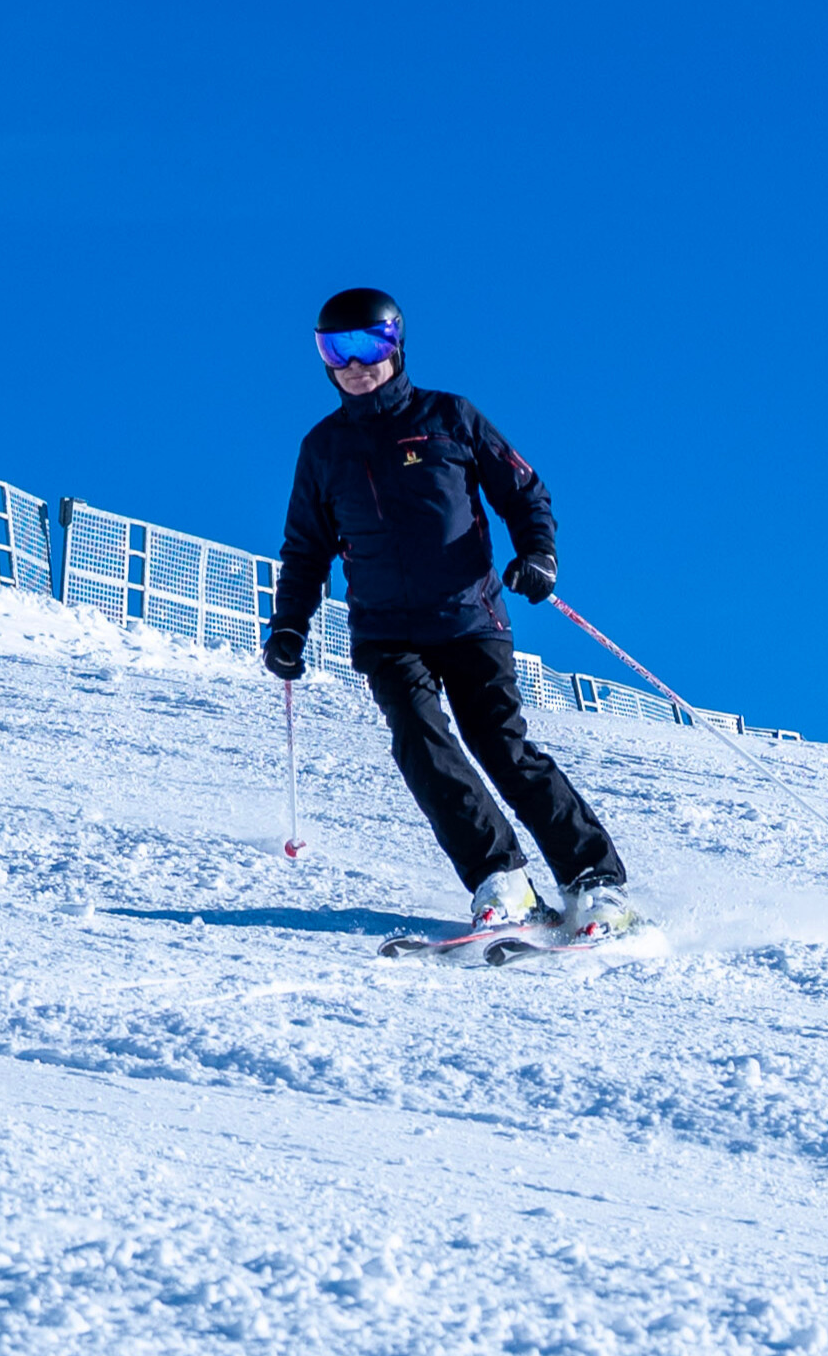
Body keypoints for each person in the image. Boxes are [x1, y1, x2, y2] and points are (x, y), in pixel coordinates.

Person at [265, 287, 630, 939]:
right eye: (334, 348)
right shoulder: (322, 449)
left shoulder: (448, 417)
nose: (354, 362)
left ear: (397, 343)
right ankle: (503, 881)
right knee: (420, 743)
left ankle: (594, 883)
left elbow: (523, 491)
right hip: (384, 629)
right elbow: (304, 547)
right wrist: (289, 624)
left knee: (500, 746)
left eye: (368, 344)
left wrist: (537, 554)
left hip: (467, 616)